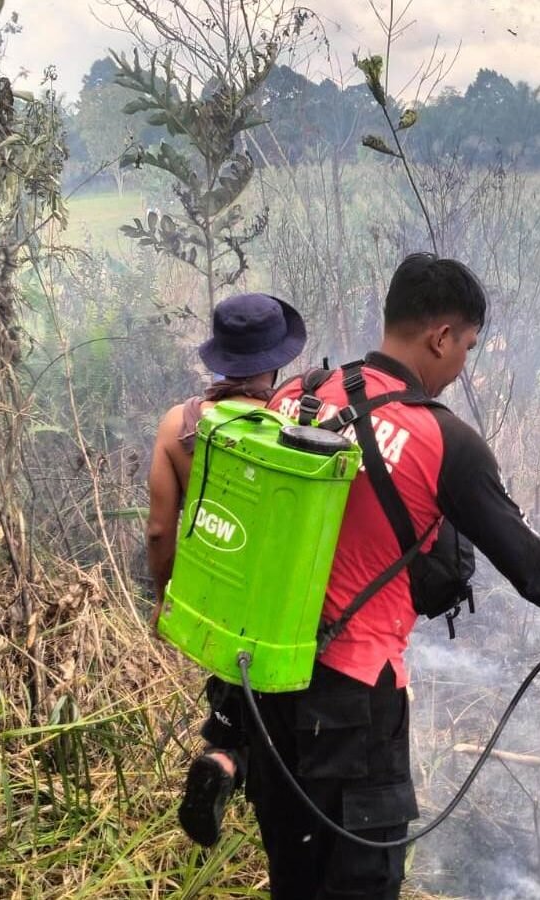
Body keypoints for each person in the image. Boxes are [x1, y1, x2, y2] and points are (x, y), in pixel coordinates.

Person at [245, 253, 540, 899]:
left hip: (265, 689)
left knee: (294, 881)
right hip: (355, 698)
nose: (463, 362)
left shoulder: (296, 396)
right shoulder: (443, 440)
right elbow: (533, 568)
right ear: (440, 337)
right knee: (362, 885)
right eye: (466, 345)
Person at [146, 291, 308, 848]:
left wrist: (165, 595)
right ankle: (238, 767)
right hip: (279, 615)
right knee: (273, 705)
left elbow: (159, 532)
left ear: (219, 356)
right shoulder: (292, 430)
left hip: (210, 599)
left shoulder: (179, 425)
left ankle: (223, 755)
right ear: (275, 362)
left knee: (231, 677)